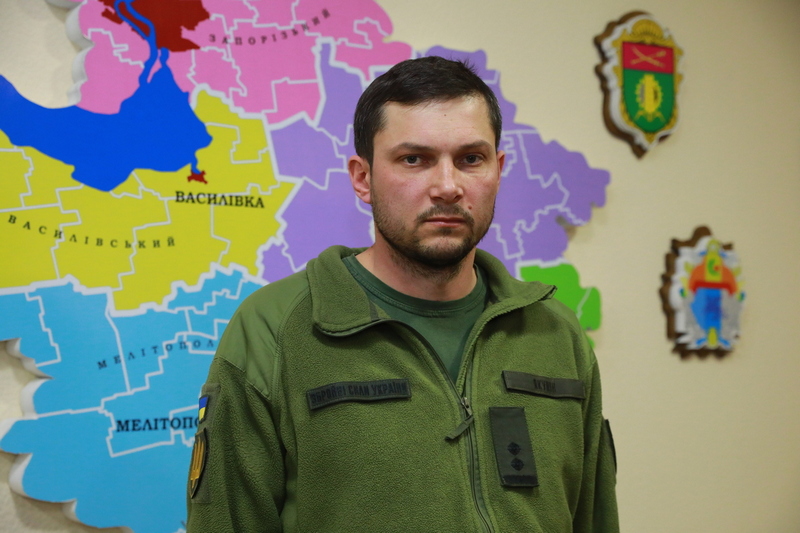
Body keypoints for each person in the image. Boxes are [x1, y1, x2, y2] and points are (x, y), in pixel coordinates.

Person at [186, 56, 619, 532]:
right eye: (414, 159)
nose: (448, 186)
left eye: (470, 159)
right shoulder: (275, 330)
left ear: (498, 170)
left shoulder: (554, 332)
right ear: (363, 177)